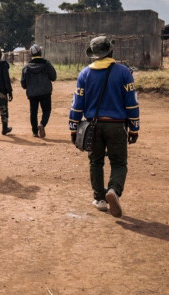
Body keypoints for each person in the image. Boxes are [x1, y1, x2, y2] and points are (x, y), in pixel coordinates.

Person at [69, 36, 140, 218]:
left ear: (93, 54)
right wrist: (134, 127)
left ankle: (100, 199)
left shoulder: (84, 74)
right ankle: (114, 190)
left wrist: (73, 127)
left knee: (96, 162)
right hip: (116, 126)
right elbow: (131, 103)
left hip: (93, 126)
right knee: (119, 163)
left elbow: (77, 103)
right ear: (111, 51)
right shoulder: (124, 72)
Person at [20, 44, 57, 137]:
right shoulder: (46, 64)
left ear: (31, 55)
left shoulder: (26, 67)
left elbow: (23, 83)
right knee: (46, 110)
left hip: (32, 93)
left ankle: (35, 132)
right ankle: (42, 124)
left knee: (33, 112)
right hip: (45, 92)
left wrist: (27, 87)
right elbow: (53, 77)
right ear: (40, 53)